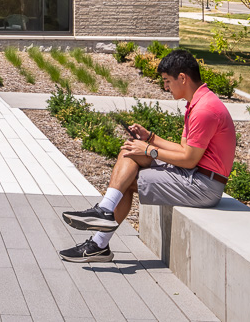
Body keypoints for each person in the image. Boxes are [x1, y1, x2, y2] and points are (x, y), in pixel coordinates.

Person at [56, 48, 236, 263]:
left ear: (182, 77)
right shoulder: (198, 103)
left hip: (203, 186)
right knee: (130, 149)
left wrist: (149, 150)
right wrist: (149, 137)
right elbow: (183, 150)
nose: (165, 86)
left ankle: (99, 239)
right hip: (196, 174)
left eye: (167, 81)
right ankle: (102, 220)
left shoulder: (205, 110)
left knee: (129, 178)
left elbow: (189, 159)